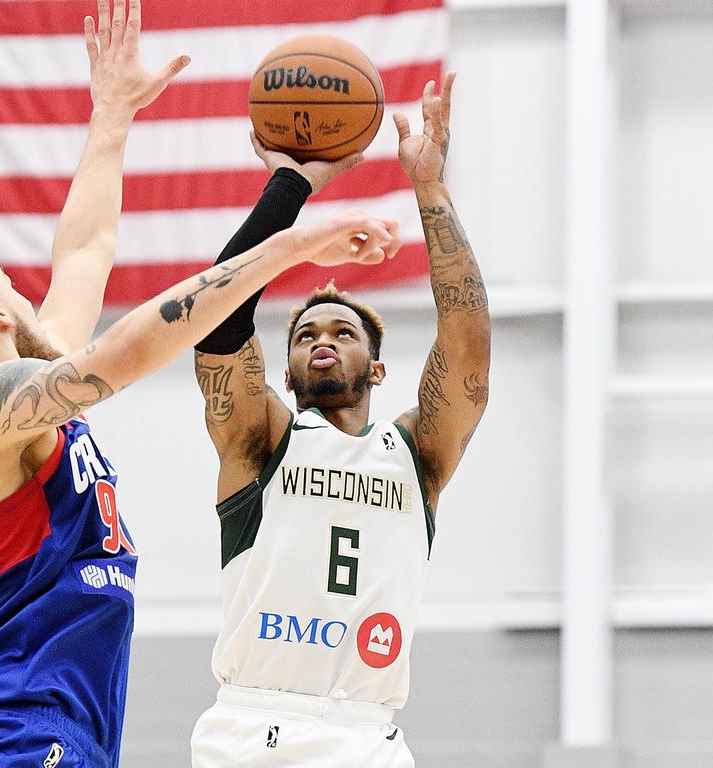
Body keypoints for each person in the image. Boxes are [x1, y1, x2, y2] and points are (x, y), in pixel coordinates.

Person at [0, 3, 401, 762]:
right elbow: (127, 352)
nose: (33, 298)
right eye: (13, 288)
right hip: (12, 736)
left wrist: (114, 113)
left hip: (58, 733)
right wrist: (294, 245)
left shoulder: (30, 381)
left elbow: (86, 247)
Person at [189, 71, 490, 768]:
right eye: (304, 335)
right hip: (253, 724)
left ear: (378, 370)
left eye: (343, 332)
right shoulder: (261, 438)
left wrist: (430, 190)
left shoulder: (416, 453)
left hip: (368, 732)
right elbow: (215, 320)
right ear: (287, 372)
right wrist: (290, 187)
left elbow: (467, 348)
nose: (322, 338)